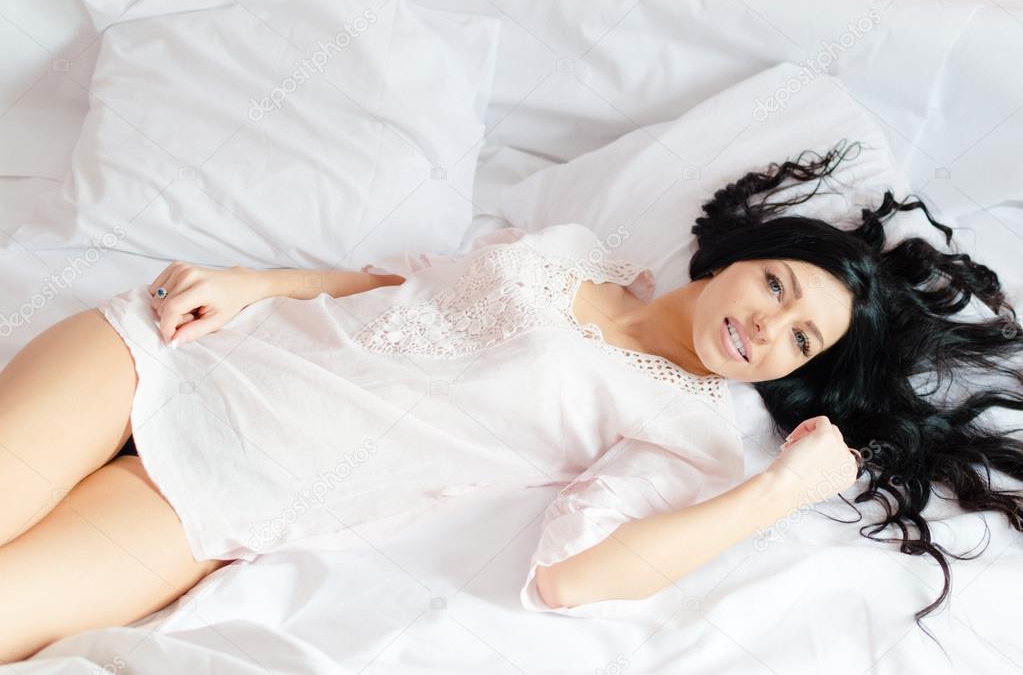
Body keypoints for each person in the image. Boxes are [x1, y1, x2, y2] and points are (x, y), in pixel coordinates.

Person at [0, 141, 1018, 663]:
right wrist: (257, 282)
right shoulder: (576, 251)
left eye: (801, 340)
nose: (768, 324)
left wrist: (782, 491)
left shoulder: (694, 428)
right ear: (745, 260)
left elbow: (573, 580)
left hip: (221, 496)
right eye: (778, 288)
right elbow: (393, 286)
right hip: (166, 351)